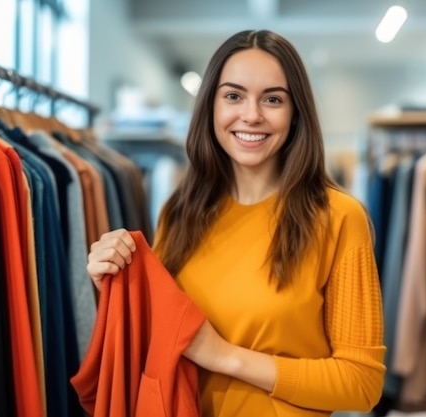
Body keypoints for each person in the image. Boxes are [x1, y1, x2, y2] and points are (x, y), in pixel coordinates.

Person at [86, 29, 386, 417]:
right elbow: (157, 343)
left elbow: (361, 384)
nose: (251, 115)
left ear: (296, 115)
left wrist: (223, 356)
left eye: (273, 99)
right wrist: (114, 284)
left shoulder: (339, 217)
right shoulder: (180, 212)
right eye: (233, 96)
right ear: (211, 106)